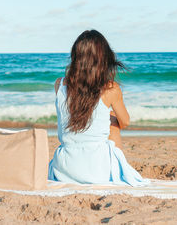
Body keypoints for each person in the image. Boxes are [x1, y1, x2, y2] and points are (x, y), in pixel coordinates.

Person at [48, 30, 150, 186]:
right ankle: (119, 169)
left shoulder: (59, 84)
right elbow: (126, 122)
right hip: (98, 169)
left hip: (64, 168)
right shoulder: (110, 89)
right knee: (114, 122)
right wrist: (109, 116)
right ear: (103, 58)